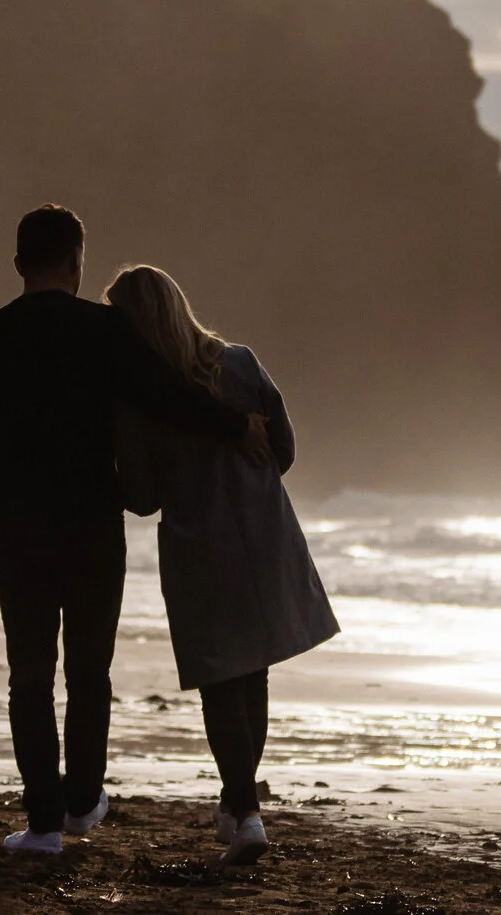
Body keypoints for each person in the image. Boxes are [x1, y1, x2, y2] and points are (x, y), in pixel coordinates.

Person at [0, 207, 270, 856]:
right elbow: (164, 396)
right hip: (93, 529)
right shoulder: (104, 329)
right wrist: (233, 425)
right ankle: (82, 799)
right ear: (76, 261)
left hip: (18, 529)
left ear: (18, 265)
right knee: (90, 672)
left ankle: (42, 827)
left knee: (30, 676)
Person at [107, 263, 339, 867]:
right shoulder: (240, 362)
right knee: (252, 674)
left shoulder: (141, 395)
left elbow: (140, 496)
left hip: (198, 543)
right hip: (263, 534)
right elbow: (284, 449)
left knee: (220, 683)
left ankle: (246, 811)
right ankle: (238, 810)